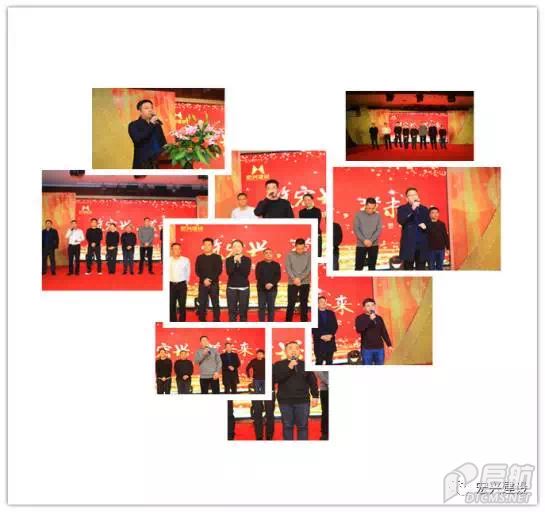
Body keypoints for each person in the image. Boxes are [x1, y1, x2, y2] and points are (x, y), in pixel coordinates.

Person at [273, 342, 319, 440]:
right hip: (285, 401)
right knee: (287, 426)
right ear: (285, 351)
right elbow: (276, 379)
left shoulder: (305, 365)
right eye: (290, 348)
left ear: (299, 351)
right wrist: (289, 368)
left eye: (296, 348)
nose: (294, 350)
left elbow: (312, 381)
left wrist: (315, 396)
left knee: (302, 427)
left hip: (303, 401)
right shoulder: (278, 365)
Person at [397, 187, 430, 270]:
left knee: (421, 269)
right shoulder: (402, 209)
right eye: (410, 195)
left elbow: (429, 224)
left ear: (418, 196)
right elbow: (401, 221)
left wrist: (425, 225)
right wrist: (412, 209)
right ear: (407, 198)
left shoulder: (424, 209)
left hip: (422, 244)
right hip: (409, 245)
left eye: (415, 194)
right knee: (408, 270)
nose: (413, 196)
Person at [128, 99, 167, 169]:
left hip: (158, 162)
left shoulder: (157, 125)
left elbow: (163, 142)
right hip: (143, 163)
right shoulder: (133, 125)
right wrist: (151, 124)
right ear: (140, 111)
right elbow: (137, 140)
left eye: (151, 108)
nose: (150, 110)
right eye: (146, 108)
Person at [355, 298, 393, 365]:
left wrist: (389, 345)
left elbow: (383, 331)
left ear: (375, 306)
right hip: (367, 349)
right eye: (368, 306)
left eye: (372, 305)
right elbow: (359, 329)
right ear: (364, 308)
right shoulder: (360, 318)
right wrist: (370, 320)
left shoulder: (379, 318)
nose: (371, 307)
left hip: (379, 348)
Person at [195, 238, 222, 322]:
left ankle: (216, 320)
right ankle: (202, 320)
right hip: (202, 284)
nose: (207, 246)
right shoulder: (199, 257)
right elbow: (197, 271)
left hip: (214, 284)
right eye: (205, 245)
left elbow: (218, 270)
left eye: (209, 244)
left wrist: (209, 280)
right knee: (202, 303)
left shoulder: (217, 257)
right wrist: (204, 280)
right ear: (203, 246)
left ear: (212, 246)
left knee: (215, 303)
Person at [285, 238, 311, 322]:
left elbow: (308, 269)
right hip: (292, 282)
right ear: (295, 246)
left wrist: (300, 279)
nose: (300, 250)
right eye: (298, 248)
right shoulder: (289, 255)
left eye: (302, 248)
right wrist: (294, 278)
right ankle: (288, 321)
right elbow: (288, 268)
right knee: (291, 303)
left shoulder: (309, 255)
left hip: (305, 282)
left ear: (305, 247)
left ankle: (304, 322)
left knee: (304, 303)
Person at [353, 197, 383, 271]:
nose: (371, 210)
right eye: (369, 208)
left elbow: (378, 229)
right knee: (358, 267)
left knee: (372, 267)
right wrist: (364, 240)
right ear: (365, 205)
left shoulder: (378, 216)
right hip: (361, 244)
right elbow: (356, 229)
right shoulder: (358, 215)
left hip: (374, 244)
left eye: (373, 208)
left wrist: (371, 240)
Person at [225, 239, 251, 322]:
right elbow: (229, 272)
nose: (236, 248)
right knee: (232, 311)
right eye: (234, 246)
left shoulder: (247, 260)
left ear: (242, 248)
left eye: (238, 246)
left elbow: (245, 273)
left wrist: (239, 262)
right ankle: (232, 325)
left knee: (243, 311)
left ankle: (243, 325)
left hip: (244, 288)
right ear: (232, 248)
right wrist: (234, 261)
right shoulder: (228, 260)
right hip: (231, 288)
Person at [255, 248, 281, 322]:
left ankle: (270, 323)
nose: (268, 254)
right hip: (261, 289)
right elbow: (258, 276)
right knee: (261, 307)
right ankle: (262, 323)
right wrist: (265, 284)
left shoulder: (276, 265)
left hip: (273, 289)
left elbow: (278, 276)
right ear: (263, 255)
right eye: (266, 253)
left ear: (272, 254)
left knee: (271, 308)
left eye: (270, 253)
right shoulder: (259, 264)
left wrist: (271, 284)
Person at [312, 296, 338, 365]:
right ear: (317, 303)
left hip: (330, 341)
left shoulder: (331, 313)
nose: (323, 303)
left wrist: (330, 335)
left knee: (329, 361)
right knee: (319, 362)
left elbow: (335, 326)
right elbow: (312, 328)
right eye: (321, 302)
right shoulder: (313, 314)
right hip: (319, 342)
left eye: (325, 302)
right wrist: (321, 336)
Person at [169, 243, 190, 322]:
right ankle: (173, 321)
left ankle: (182, 321)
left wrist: (185, 283)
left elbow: (188, 273)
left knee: (182, 305)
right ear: (172, 250)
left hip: (182, 285)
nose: (177, 250)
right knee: (171, 305)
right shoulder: (168, 260)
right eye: (175, 249)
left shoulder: (185, 260)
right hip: (171, 285)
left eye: (178, 249)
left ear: (181, 250)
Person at [315, 371, 329, 440]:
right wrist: (328, 382)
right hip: (325, 390)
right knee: (325, 412)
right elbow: (318, 372)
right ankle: (325, 433)